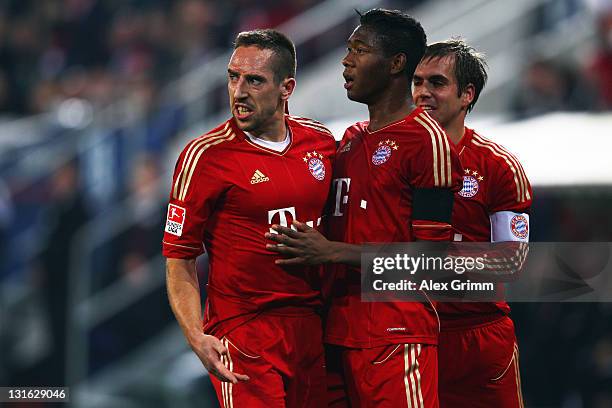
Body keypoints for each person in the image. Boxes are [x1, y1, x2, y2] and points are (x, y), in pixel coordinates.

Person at [266, 9, 463, 407]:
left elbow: (435, 260)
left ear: (396, 64)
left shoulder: (427, 141)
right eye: (347, 49)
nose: (346, 60)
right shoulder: (350, 140)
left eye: (359, 49)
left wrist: (332, 251)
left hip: (397, 337)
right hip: (336, 335)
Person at [162, 29, 336, 407]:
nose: (238, 91)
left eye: (254, 80)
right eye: (232, 76)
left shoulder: (321, 142)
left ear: (286, 87)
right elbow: (179, 259)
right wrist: (195, 334)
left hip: (315, 329)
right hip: (245, 332)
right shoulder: (204, 157)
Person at [412, 39, 532, 408]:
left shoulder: (498, 167)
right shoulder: (388, 157)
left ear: (467, 94)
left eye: (436, 83)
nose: (422, 93)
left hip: (478, 335)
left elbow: (511, 262)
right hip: (409, 334)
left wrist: (434, 259)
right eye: (417, 82)